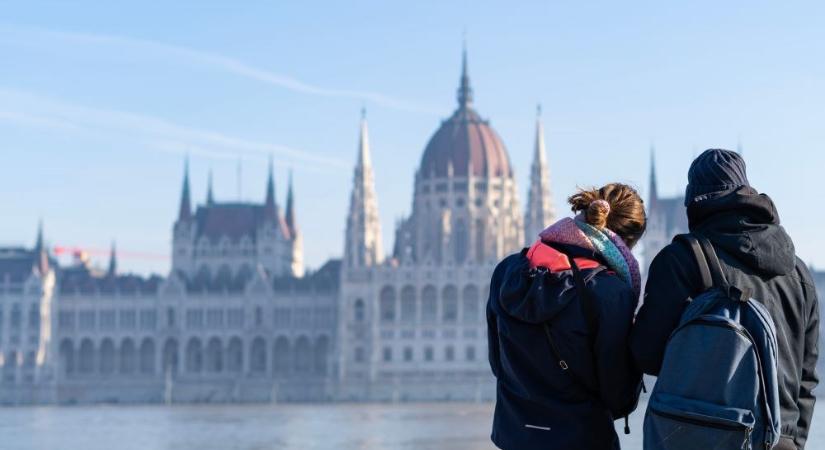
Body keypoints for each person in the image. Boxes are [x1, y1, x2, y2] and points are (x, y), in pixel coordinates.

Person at [631, 149, 819, 450]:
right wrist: (792, 441)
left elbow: (646, 354)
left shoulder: (682, 260)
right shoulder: (799, 272)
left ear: (693, 201)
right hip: (780, 442)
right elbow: (806, 377)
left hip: (707, 437)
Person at [487, 183, 646, 450]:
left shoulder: (507, 272)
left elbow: (497, 363)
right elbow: (618, 395)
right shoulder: (611, 293)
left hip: (514, 435)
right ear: (625, 242)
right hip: (581, 438)